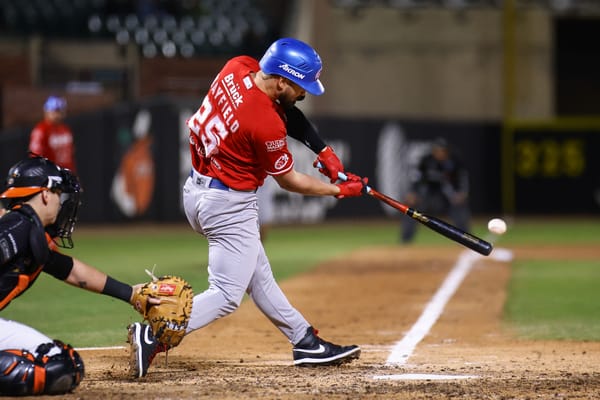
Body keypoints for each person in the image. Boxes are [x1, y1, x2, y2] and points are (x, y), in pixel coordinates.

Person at [127, 37, 367, 378]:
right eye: (301, 86)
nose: (305, 93)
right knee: (227, 294)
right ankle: (155, 333)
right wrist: (338, 189)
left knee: (259, 276)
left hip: (198, 189)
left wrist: (323, 151)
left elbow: (288, 112)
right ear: (281, 81)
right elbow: (289, 181)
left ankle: (304, 341)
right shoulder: (262, 121)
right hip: (228, 205)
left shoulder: (237, 66)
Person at [0, 156, 142, 396]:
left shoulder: (27, 229)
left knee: (66, 364)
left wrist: (132, 294)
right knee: (56, 367)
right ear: (45, 194)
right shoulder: (17, 227)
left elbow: (71, 270)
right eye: (58, 193)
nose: (62, 201)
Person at [400, 137, 470, 243]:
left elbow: (462, 180)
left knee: (459, 206)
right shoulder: (426, 161)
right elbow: (416, 179)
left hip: (448, 196)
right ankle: (406, 241)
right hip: (427, 196)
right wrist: (412, 193)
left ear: (447, 151)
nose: (439, 153)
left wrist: (462, 193)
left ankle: (466, 240)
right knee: (411, 208)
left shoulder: (454, 162)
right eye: (437, 150)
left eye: (442, 150)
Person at [29, 96, 76, 171]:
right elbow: (35, 156)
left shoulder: (65, 129)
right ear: (47, 111)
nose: (58, 115)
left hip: (66, 173)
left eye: (60, 111)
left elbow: (70, 156)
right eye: (55, 111)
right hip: (50, 174)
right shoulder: (41, 130)